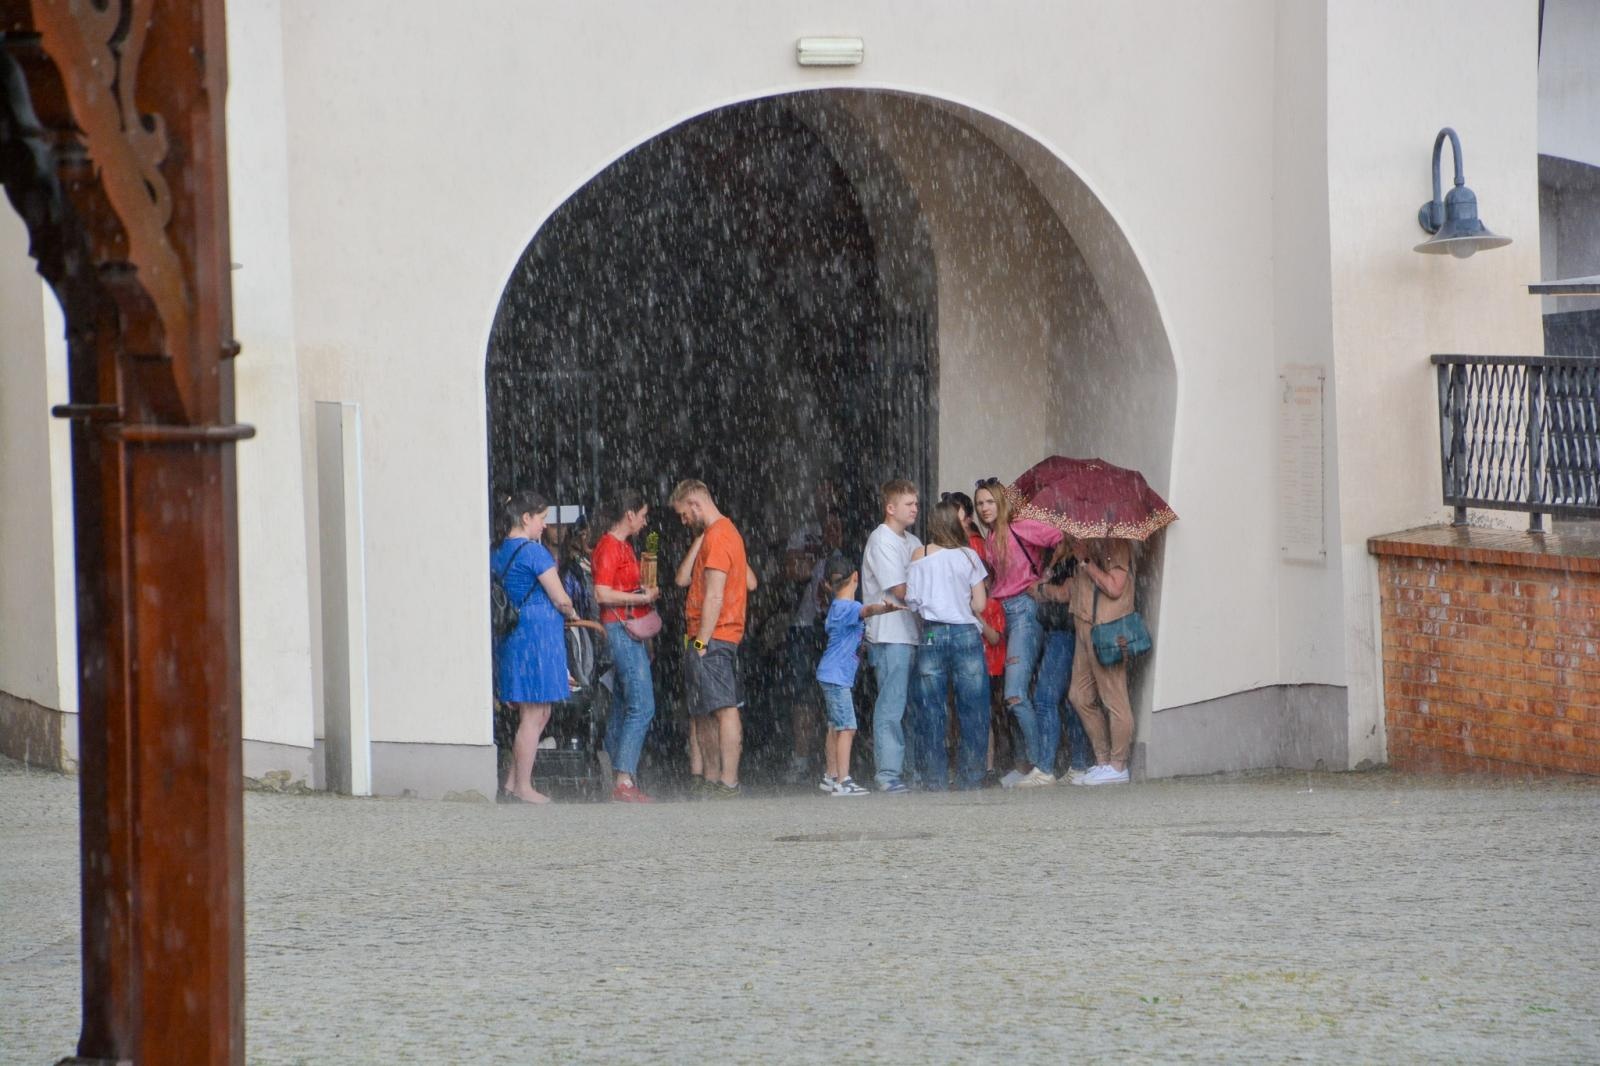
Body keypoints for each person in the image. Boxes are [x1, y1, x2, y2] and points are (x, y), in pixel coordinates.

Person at [492, 490, 581, 804]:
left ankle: (512, 783)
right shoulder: (534, 553)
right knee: (535, 714)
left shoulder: (499, 550)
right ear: (527, 518)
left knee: (534, 714)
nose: (545, 526)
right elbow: (559, 597)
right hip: (538, 640)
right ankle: (523, 787)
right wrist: (572, 610)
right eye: (542, 518)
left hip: (516, 638)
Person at [974, 478, 1064, 789]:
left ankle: (1043, 767)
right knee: (1008, 696)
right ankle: (1027, 765)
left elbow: (1060, 539)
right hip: (1002, 614)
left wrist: (1047, 575)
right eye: (979, 504)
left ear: (1000, 502)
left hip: (1024, 612)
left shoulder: (1021, 526)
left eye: (989, 502)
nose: (984, 508)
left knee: (1015, 694)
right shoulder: (989, 537)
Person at [671, 479, 752, 799]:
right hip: (711, 635)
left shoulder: (718, 537)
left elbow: (714, 595)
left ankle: (726, 782)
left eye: (683, 514)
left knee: (723, 708)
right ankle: (714, 778)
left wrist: (701, 644)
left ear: (694, 504)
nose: (683, 521)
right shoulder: (724, 534)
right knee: (705, 710)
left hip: (713, 636)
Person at [904, 500, 991, 791]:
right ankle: (971, 778)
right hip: (966, 633)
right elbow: (980, 603)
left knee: (931, 709)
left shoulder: (921, 553)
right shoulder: (969, 556)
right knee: (973, 708)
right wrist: (960, 602)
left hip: (932, 634)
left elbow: (913, 601)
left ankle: (935, 780)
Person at [592, 489, 661, 804]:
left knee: (623, 702)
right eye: (643, 515)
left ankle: (614, 771)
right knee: (642, 705)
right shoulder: (611, 547)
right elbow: (602, 594)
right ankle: (624, 778)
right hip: (621, 628)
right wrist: (641, 598)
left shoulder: (621, 547)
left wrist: (641, 591)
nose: (645, 522)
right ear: (629, 514)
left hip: (624, 628)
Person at [815, 556, 900, 797]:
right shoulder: (849, 607)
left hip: (830, 674)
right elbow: (866, 610)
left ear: (828, 585)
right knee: (848, 727)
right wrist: (885, 608)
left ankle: (831, 776)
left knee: (834, 726)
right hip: (838, 677)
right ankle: (844, 780)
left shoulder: (834, 608)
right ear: (856, 577)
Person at [860, 479, 921, 794]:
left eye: (916, 503)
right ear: (890, 507)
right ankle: (888, 774)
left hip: (910, 634)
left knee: (908, 705)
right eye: (909, 503)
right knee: (891, 705)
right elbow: (900, 589)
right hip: (889, 636)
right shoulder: (881, 540)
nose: (915, 508)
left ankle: (907, 770)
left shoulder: (912, 541)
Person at [945, 491, 1010, 784]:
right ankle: (969, 765)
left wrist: (976, 613)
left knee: (983, 713)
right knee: (968, 712)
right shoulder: (970, 545)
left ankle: (984, 766)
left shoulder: (972, 546)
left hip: (987, 659)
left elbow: (995, 636)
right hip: (970, 651)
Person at [1069, 537, 1137, 785]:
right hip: (1084, 624)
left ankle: (1118, 766)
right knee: (1079, 695)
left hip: (1106, 629)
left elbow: (1115, 587)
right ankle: (1103, 760)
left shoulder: (1117, 544)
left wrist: (1086, 561)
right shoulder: (1085, 538)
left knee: (1114, 698)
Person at [1032, 557, 1093, 782]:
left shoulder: (1074, 557)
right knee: (1070, 702)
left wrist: (1042, 587)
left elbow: (1065, 593)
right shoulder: (1056, 554)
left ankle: (1045, 769)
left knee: (1045, 699)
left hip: (1064, 633)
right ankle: (1078, 766)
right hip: (1059, 631)